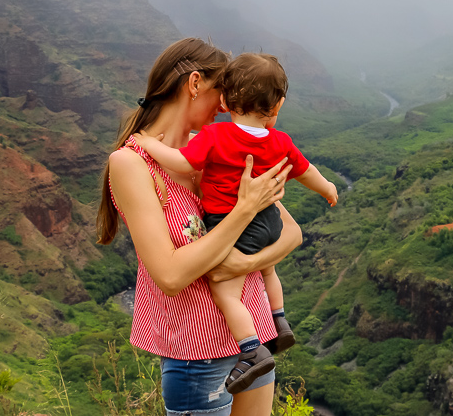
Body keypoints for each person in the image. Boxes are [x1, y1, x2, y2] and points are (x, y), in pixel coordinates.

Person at [98, 38, 303, 416]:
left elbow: (292, 233)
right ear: (195, 84)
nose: (226, 106)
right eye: (220, 93)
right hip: (198, 355)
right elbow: (170, 275)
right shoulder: (132, 163)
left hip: (254, 344)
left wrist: (242, 265)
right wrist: (243, 212)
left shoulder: (216, 145)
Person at [133, 53, 337, 393]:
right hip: (268, 220)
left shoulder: (216, 135)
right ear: (278, 105)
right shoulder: (281, 141)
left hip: (235, 224)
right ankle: (279, 319)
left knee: (226, 292)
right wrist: (328, 188)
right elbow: (306, 171)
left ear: (226, 101)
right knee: (268, 269)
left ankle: (251, 350)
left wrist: (148, 144)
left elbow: (182, 162)